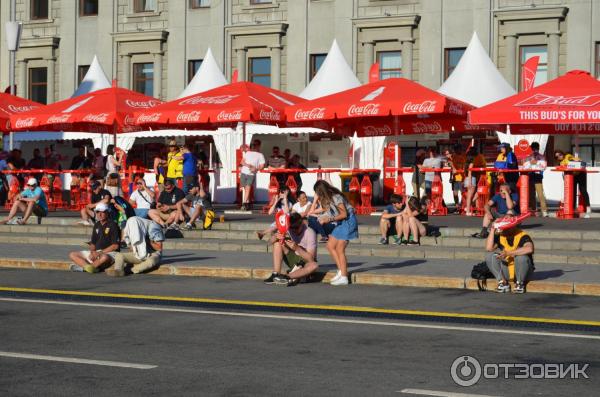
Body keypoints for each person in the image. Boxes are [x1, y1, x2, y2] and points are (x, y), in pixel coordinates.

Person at [313, 180, 358, 286]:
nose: (317, 195)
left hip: (348, 222)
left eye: (317, 193)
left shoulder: (336, 197)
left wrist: (329, 219)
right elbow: (328, 212)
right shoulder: (327, 199)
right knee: (330, 246)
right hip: (341, 222)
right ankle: (341, 270)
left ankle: (344, 277)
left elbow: (344, 214)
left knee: (339, 249)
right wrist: (323, 217)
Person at [264, 213, 319, 287]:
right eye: (291, 227)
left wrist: (297, 248)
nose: (293, 230)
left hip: (305, 261)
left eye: (296, 227)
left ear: (302, 224)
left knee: (314, 265)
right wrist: (275, 237)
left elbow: (311, 258)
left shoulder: (310, 233)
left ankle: (286, 277)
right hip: (293, 258)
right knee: (277, 243)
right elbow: (269, 243)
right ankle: (275, 274)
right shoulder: (288, 229)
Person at [485, 216, 534, 293]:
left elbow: (529, 249)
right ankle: (503, 283)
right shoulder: (501, 235)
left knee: (521, 257)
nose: (504, 230)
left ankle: (520, 284)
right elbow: (489, 248)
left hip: (523, 271)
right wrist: (492, 228)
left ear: (513, 227)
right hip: (507, 269)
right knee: (489, 256)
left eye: (507, 228)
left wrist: (509, 253)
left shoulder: (523, 235)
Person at [69, 202, 120, 273]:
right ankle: (91, 268)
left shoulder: (113, 225)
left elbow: (115, 246)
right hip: (97, 252)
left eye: (102, 212)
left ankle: (84, 268)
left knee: (104, 257)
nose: (100, 214)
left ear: (107, 213)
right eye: (97, 212)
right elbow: (93, 243)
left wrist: (99, 253)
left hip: (109, 253)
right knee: (72, 254)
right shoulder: (97, 225)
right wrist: (92, 252)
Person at [554, 150, 591, 218]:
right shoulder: (561, 163)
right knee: (572, 192)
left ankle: (588, 209)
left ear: (562, 154)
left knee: (583, 190)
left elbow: (575, 161)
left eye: (560, 154)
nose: (559, 157)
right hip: (572, 175)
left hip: (580, 173)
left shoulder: (568, 156)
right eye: (557, 157)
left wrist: (574, 162)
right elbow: (562, 169)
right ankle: (572, 209)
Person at [524, 142, 548, 217]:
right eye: (533, 148)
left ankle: (544, 211)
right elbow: (525, 167)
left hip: (537, 175)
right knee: (531, 194)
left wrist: (536, 162)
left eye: (536, 148)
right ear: (531, 148)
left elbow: (544, 167)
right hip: (530, 175)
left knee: (540, 194)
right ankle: (534, 210)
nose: (534, 150)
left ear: (538, 148)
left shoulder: (542, 157)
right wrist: (531, 163)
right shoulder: (528, 157)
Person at [239, 140, 266, 211]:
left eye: (256, 145)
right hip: (244, 172)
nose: (254, 146)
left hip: (251, 174)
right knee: (244, 188)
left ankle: (244, 204)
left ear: (259, 146)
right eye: (253, 144)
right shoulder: (248, 153)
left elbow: (262, 166)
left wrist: (255, 168)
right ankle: (247, 203)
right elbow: (242, 162)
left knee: (248, 188)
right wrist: (249, 166)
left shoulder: (260, 155)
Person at [464, 147, 487, 216]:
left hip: (467, 179)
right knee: (471, 195)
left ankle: (468, 207)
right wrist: (470, 182)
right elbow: (470, 173)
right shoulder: (471, 164)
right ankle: (468, 210)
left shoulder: (465, 164)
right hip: (471, 179)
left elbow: (466, 173)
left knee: (470, 195)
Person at [446, 145, 466, 211]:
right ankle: (457, 206)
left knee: (463, 193)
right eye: (456, 150)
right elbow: (450, 163)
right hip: (455, 178)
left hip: (462, 177)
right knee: (455, 193)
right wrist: (450, 176)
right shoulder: (453, 157)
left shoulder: (463, 156)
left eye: (459, 149)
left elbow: (464, 165)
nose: (458, 151)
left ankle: (462, 206)